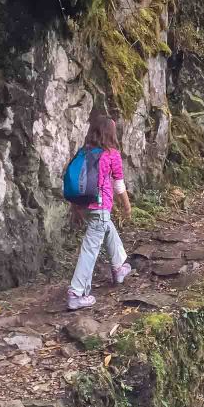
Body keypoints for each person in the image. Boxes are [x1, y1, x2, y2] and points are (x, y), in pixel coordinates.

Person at [67, 115, 132, 310]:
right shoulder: (111, 154)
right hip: (100, 206)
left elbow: (75, 181)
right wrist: (127, 207)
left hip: (86, 206)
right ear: (110, 133)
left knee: (107, 227)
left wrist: (75, 207)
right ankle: (76, 293)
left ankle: (119, 267)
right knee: (90, 249)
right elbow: (119, 186)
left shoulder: (85, 152)